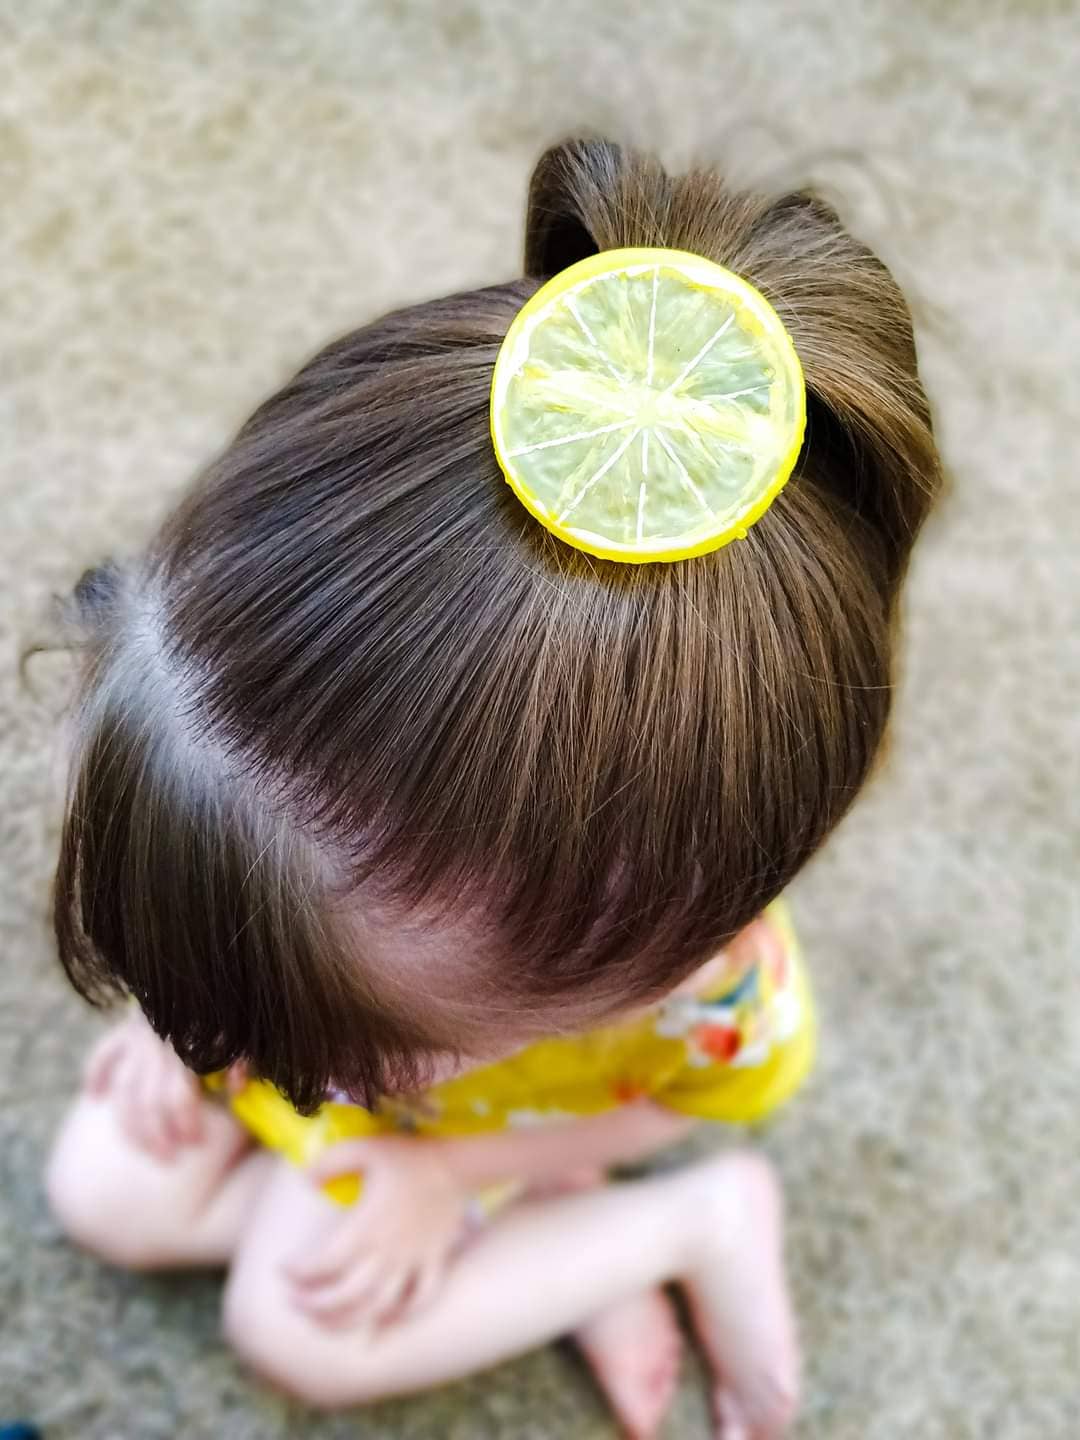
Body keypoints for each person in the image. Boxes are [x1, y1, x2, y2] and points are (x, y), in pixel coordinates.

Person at [44, 138, 942, 1440]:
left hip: (486, 1147)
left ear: (662, 967)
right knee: (103, 1195)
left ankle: (684, 1228)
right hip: (382, 1132)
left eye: (357, 1050)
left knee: (290, 1327)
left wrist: (454, 1170)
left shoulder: (710, 998)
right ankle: (536, 1245)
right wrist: (194, 1010)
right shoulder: (301, 871)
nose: (226, 1052)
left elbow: (662, 1107)